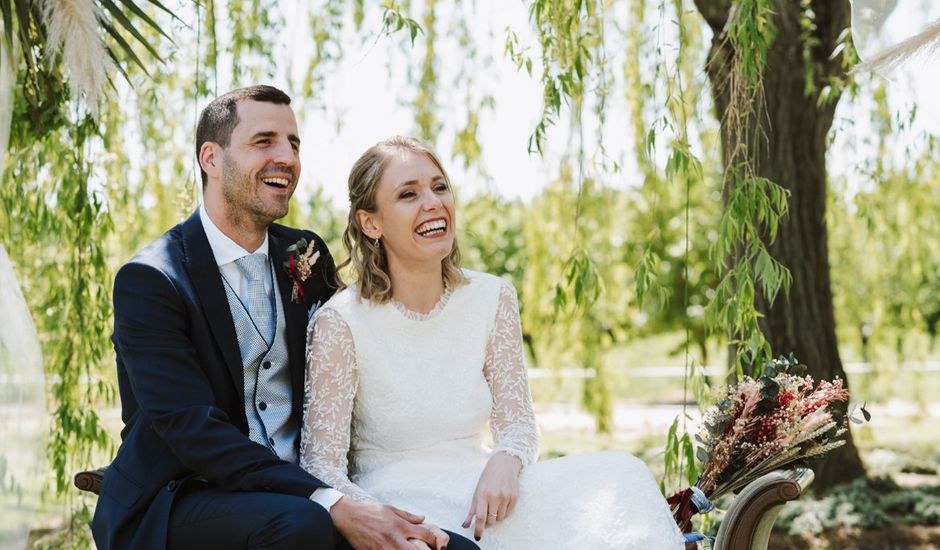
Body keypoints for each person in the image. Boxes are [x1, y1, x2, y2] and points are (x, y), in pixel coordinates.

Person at [92, 86, 477, 550]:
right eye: (265, 141)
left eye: (294, 144)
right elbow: (192, 431)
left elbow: (356, 354)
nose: (287, 158)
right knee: (300, 525)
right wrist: (332, 502)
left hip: (302, 493)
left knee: (454, 549)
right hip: (182, 497)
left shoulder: (305, 253)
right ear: (211, 159)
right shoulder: (152, 280)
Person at [300, 136, 686, 549]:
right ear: (370, 223)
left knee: (622, 473)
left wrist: (506, 459)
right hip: (401, 500)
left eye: (439, 186)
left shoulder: (492, 297)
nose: (432, 202)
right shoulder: (340, 322)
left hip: (482, 488)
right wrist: (382, 521)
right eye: (408, 194)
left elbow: (517, 423)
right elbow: (321, 465)